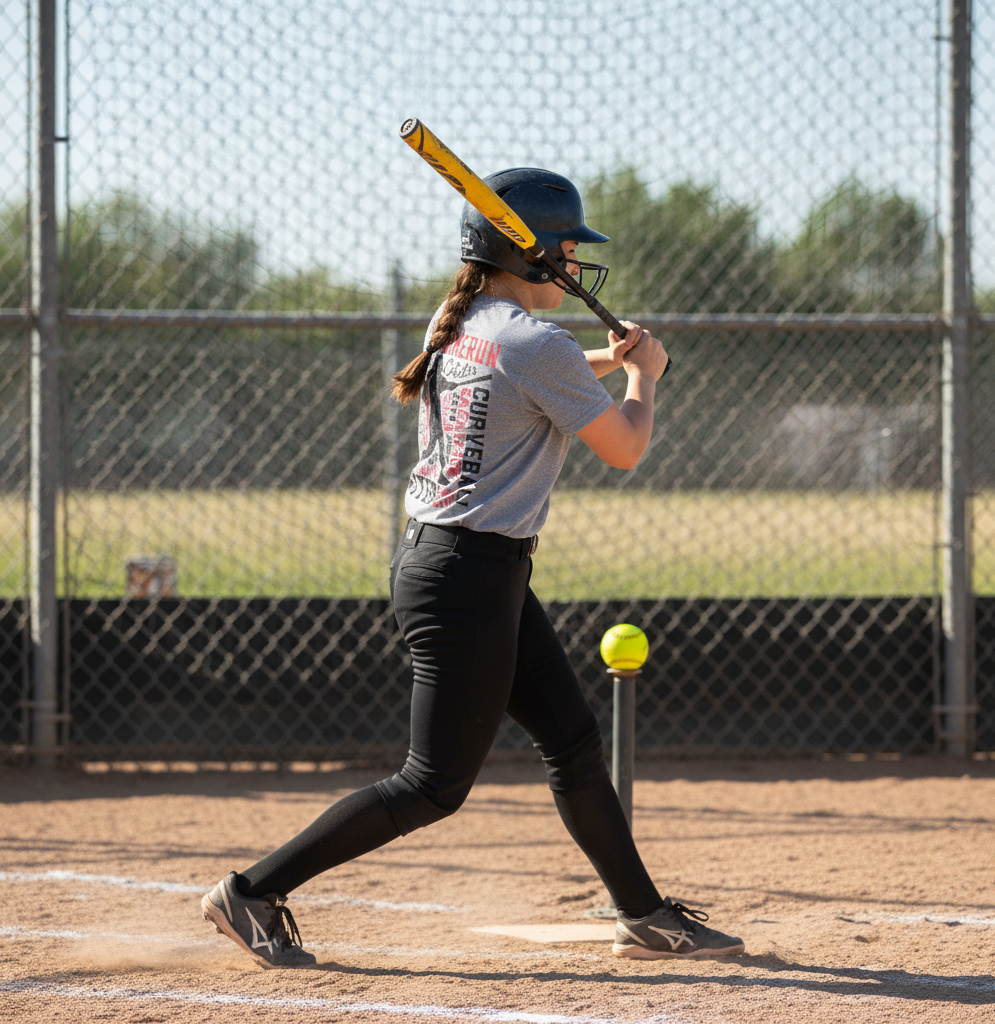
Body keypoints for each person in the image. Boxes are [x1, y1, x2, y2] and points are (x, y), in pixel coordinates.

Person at [200, 167, 744, 968]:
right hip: (470, 578)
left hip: (459, 568)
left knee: (572, 739)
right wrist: (641, 378)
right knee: (431, 785)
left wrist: (603, 356)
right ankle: (252, 892)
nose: (572, 260)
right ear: (519, 251)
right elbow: (625, 448)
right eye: (562, 247)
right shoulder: (537, 345)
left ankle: (643, 914)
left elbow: (529, 378)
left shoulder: (467, 324)